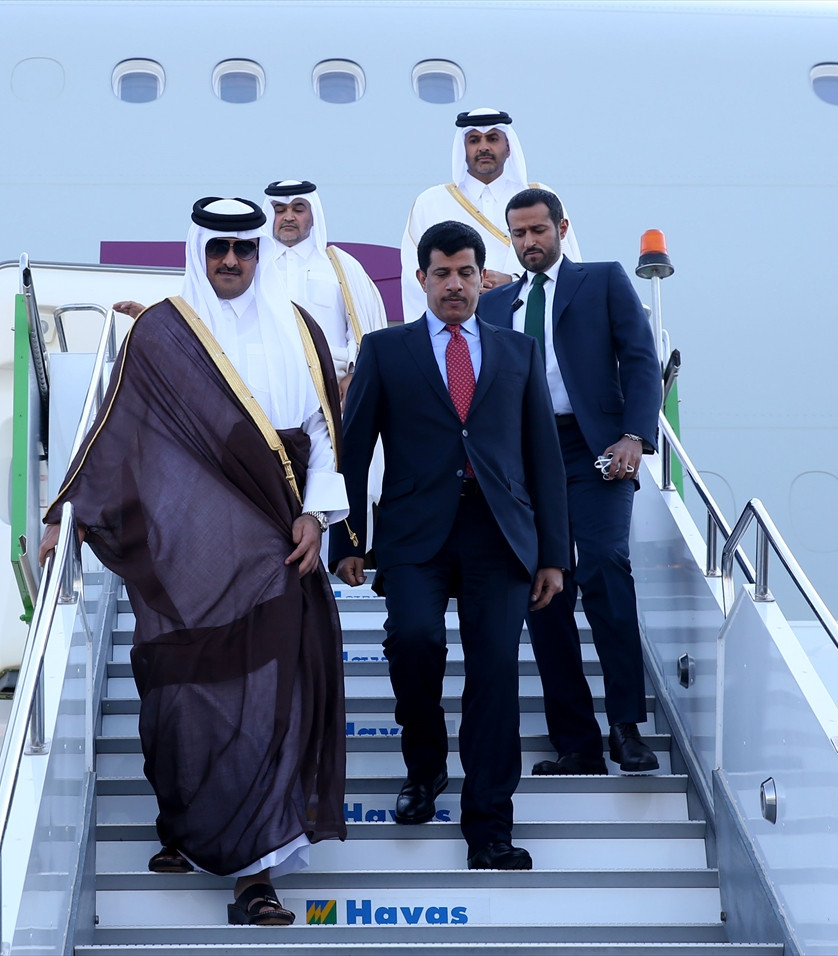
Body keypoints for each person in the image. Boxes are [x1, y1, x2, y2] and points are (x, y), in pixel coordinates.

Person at [39, 197, 350, 926]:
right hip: (188, 548)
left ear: (260, 252)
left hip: (278, 540)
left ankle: (255, 876)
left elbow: (323, 433)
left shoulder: (300, 328)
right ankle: (185, 823)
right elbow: (116, 431)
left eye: (244, 248)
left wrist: (317, 513)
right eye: (219, 249)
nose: (231, 261)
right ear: (198, 251)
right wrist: (65, 515)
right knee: (179, 698)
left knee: (273, 696)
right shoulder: (162, 331)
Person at [331, 220, 569, 871]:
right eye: (442, 274)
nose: (455, 285)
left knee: (494, 677)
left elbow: (543, 458)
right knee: (414, 642)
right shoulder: (386, 350)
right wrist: (348, 539)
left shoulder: (518, 352)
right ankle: (425, 764)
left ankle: (489, 830)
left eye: (466, 273)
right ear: (421, 279)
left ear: (481, 278)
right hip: (414, 533)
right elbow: (354, 451)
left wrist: (553, 554)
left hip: (500, 535)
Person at [477, 188, 662, 776]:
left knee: (605, 563)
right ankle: (577, 743)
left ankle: (626, 727)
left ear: (561, 228)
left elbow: (640, 360)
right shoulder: (493, 304)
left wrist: (635, 435)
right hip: (525, 459)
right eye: (519, 233)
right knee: (544, 591)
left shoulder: (601, 280)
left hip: (594, 447)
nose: (529, 242)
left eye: (539, 230)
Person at [399, 107, 581, 322]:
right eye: (474, 140)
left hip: (529, 320)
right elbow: (415, 279)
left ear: (508, 147)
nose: (483, 147)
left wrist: (514, 282)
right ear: (463, 148)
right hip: (456, 326)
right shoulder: (431, 202)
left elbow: (567, 268)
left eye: (493, 139)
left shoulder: (540, 197)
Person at [263, 179, 387, 405]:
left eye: (298, 209)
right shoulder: (256, 267)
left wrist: (355, 375)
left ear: (313, 216)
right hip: (267, 387)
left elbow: (366, 330)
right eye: (280, 210)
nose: (288, 217)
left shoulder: (339, 265)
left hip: (332, 389)